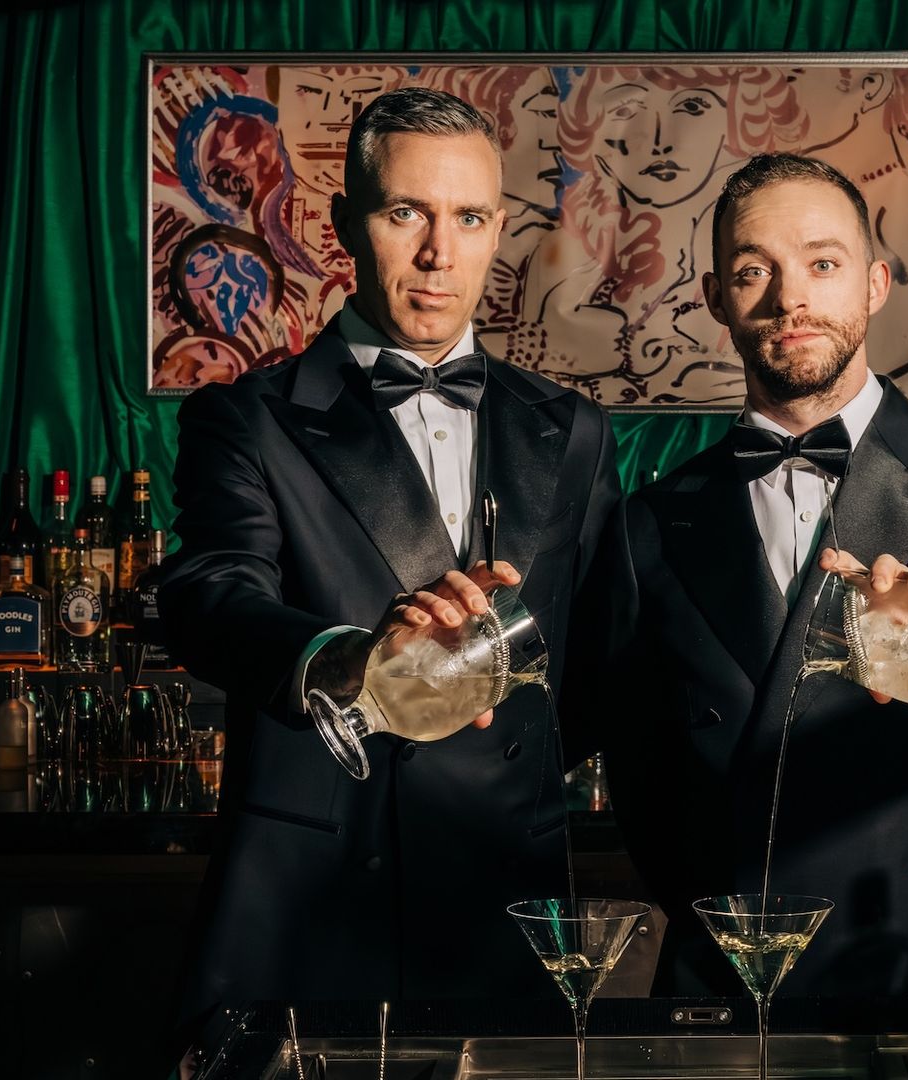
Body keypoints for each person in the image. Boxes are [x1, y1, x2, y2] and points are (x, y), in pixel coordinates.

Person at [158, 87, 620, 1041]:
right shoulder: (249, 417)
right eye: (405, 212)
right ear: (342, 226)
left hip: (507, 899)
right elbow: (209, 595)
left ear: (499, 231)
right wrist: (352, 656)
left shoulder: (571, 431)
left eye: (470, 218)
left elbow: (612, 650)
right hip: (317, 899)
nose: (438, 253)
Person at [586, 153, 908, 1001]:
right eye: (756, 271)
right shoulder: (650, 520)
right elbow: (634, 754)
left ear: (873, 283)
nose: (792, 298)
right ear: (716, 298)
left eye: (823, 265)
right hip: (723, 975)